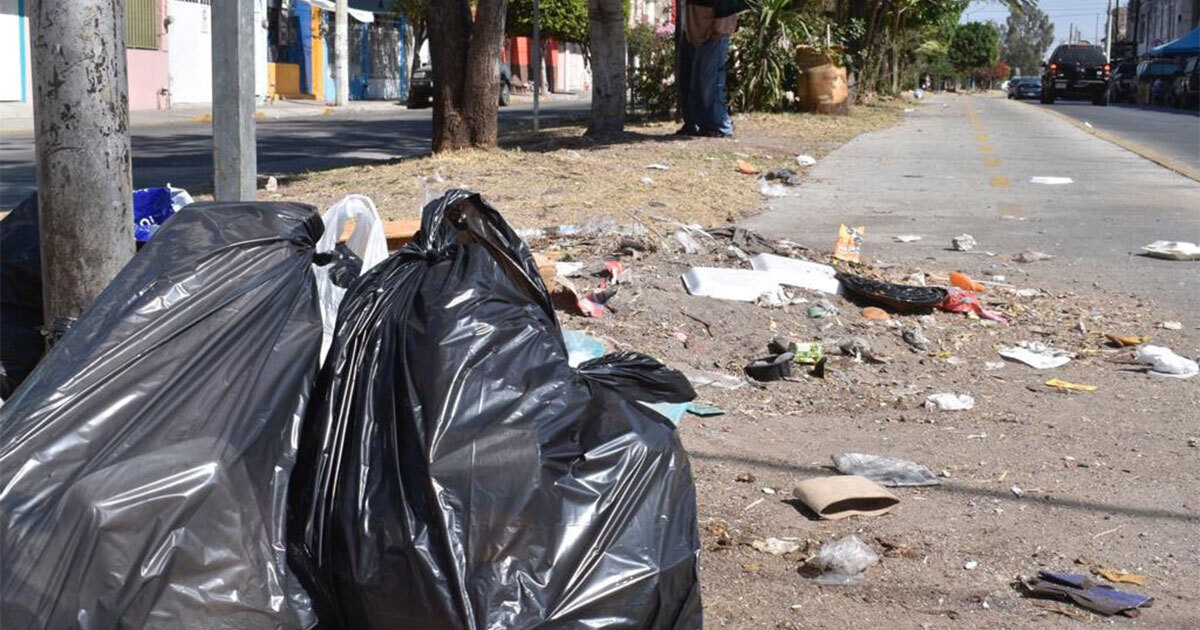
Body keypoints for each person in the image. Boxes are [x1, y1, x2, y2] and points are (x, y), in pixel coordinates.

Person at [676, 0, 738, 137]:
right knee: (693, 82)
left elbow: (727, 6)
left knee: (710, 81)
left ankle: (720, 125)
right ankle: (699, 123)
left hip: (711, 34)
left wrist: (719, 31)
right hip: (694, 34)